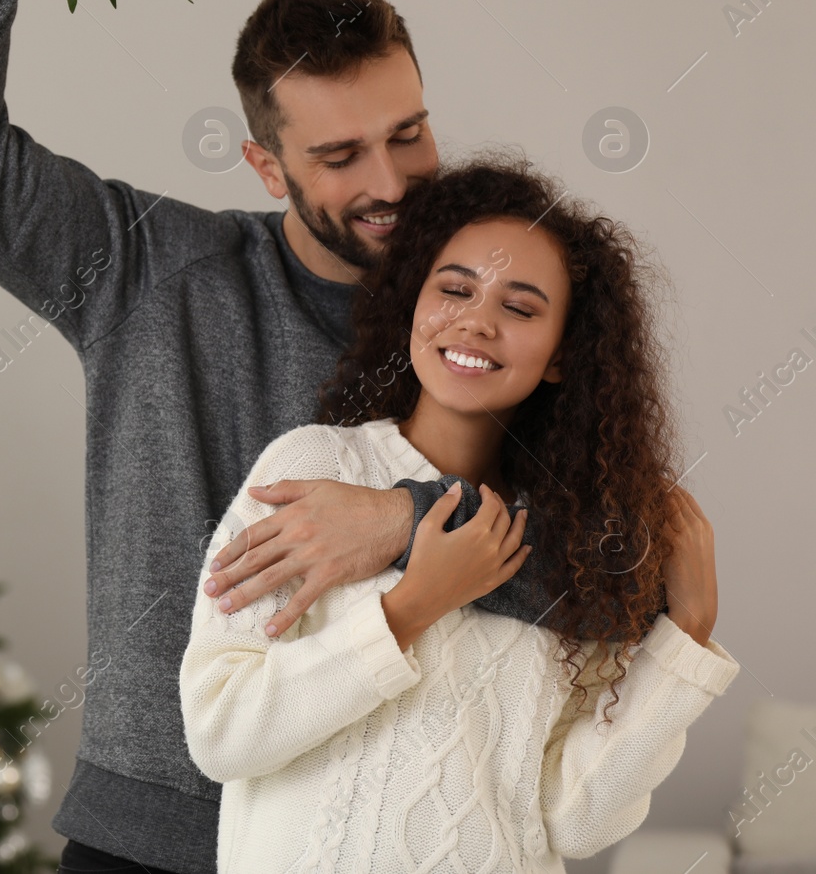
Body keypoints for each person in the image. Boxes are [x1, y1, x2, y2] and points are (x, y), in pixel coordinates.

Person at [0, 0, 551, 870]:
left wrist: (399, 520)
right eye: (338, 155)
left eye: (407, 134)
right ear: (265, 165)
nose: (387, 182)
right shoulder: (145, 272)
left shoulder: (495, 315)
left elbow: (610, 565)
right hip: (150, 837)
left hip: (390, 837)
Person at [179, 155, 739, 871]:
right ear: (414, 299)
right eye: (455, 289)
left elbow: (575, 818)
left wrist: (686, 638)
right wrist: (410, 609)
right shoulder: (317, 469)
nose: (476, 322)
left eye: (520, 306)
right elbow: (220, 728)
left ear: (563, 354)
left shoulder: (576, 552)